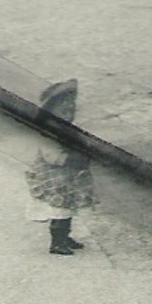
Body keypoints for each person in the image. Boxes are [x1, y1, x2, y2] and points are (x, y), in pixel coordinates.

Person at [24, 79, 96, 255]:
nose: (69, 112)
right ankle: (57, 241)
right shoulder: (48, 130)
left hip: (68, 178)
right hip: (55, 179)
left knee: (68, 209)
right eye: (63, 109)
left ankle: (65, 236)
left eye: (71, 108)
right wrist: (71, 159)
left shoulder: (68, 128)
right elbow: (51, 155)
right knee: (59, 211)